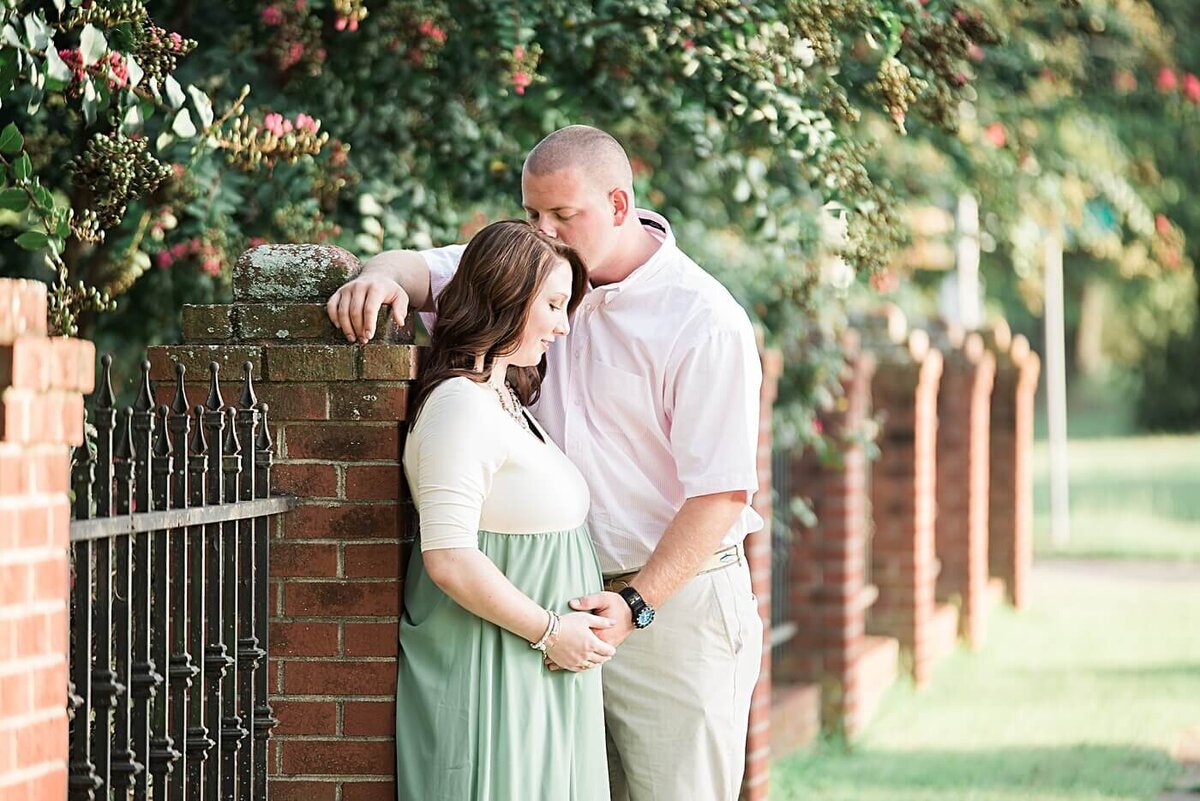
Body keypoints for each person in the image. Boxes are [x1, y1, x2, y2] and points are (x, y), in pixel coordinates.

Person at [328, 125, 764, 801]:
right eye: (533, 213)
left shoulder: (703, 320)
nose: (546, 231)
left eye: (564, 215)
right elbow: (430, 269)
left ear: (619, 205)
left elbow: (721, 495)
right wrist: (380, 275)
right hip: (554, 610)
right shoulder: (533, 278)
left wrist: (634, 606)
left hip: (673, 613)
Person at [396, 219, 613, 800]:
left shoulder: (499, 397)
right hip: (494, 675)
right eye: (552, 304)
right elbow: (448, 557)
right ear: (505, 294)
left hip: (532, 675)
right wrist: (550, 633)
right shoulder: (459, 408)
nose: (563, 326)